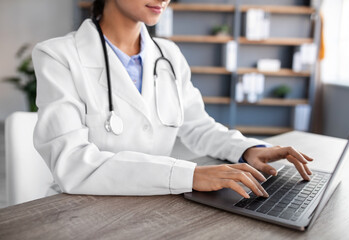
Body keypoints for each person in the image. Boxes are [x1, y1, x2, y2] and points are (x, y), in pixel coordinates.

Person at [32, 0, 313, 198]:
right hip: (82, 211)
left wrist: (248, 149)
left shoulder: (168, 55)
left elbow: (198, 127)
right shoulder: (58, 56)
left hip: (156, 206)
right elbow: (72, 163)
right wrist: (188, 175)